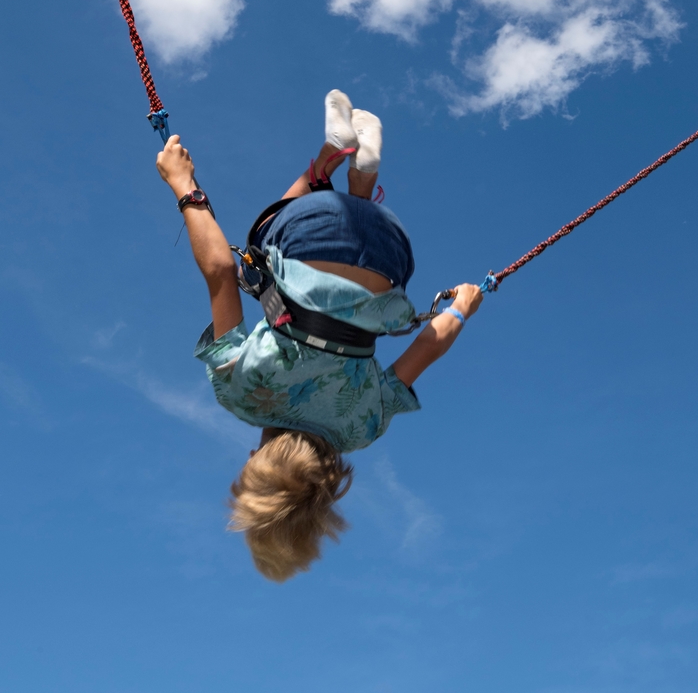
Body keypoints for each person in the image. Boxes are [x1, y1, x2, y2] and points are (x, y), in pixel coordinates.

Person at [156, 90, 483, 582]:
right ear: (253, 464)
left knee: (350, 280)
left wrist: (463, 306)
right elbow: (222, 270)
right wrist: (184, 184)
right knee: (255, 248)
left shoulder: (361, 430)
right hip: (310, 232)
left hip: (389, 253)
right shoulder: (239, 394)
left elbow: (426, 346)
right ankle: (327, 161)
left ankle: (360, 177)